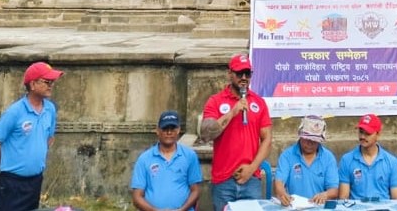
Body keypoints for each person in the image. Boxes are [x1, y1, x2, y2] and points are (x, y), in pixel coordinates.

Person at [0, 61, 64, 211]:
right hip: (12, 183)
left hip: (35, 180)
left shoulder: (50, 109)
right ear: (33, 85)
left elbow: (49, 138)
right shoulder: (15, 112)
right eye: (47, 81)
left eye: (52, 82)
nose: (51, 85)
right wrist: (8, 165)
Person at [201, 53, 273, 211]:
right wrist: (232, 113)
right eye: (240, 73)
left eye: (248, 73)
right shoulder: (215, 101)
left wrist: (252, 168)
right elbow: (206, 134)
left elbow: (267, 139)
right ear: (230, 74)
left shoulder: (259, 103)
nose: (244, 77)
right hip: (223, 181)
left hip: (251, 179)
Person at [131, 110, 203, 211]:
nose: (169, 133)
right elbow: (137, 196)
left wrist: (182, 210)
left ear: (178, 130)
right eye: (165, 129)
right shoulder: (145, 159)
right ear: (157, 131)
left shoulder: (189, 156)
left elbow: (196, 190)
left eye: (172, 129)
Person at [273, 115, 339, 207]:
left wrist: (325, 195)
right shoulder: (287, 156)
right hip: (293, 206)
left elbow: (334, 189)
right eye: (307, 139)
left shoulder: (328, 158)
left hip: (319, 207)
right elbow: (279, 182)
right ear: (300, 135)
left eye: (314, 140)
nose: (310, 143)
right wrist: (282, 194)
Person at [338, 114, 397, 201]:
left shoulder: (391, 162)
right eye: (361, 132)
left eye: (367, 133)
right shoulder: (346, 160)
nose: (362, 136)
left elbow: (396, 198)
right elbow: (343, 198)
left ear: (378, 134)